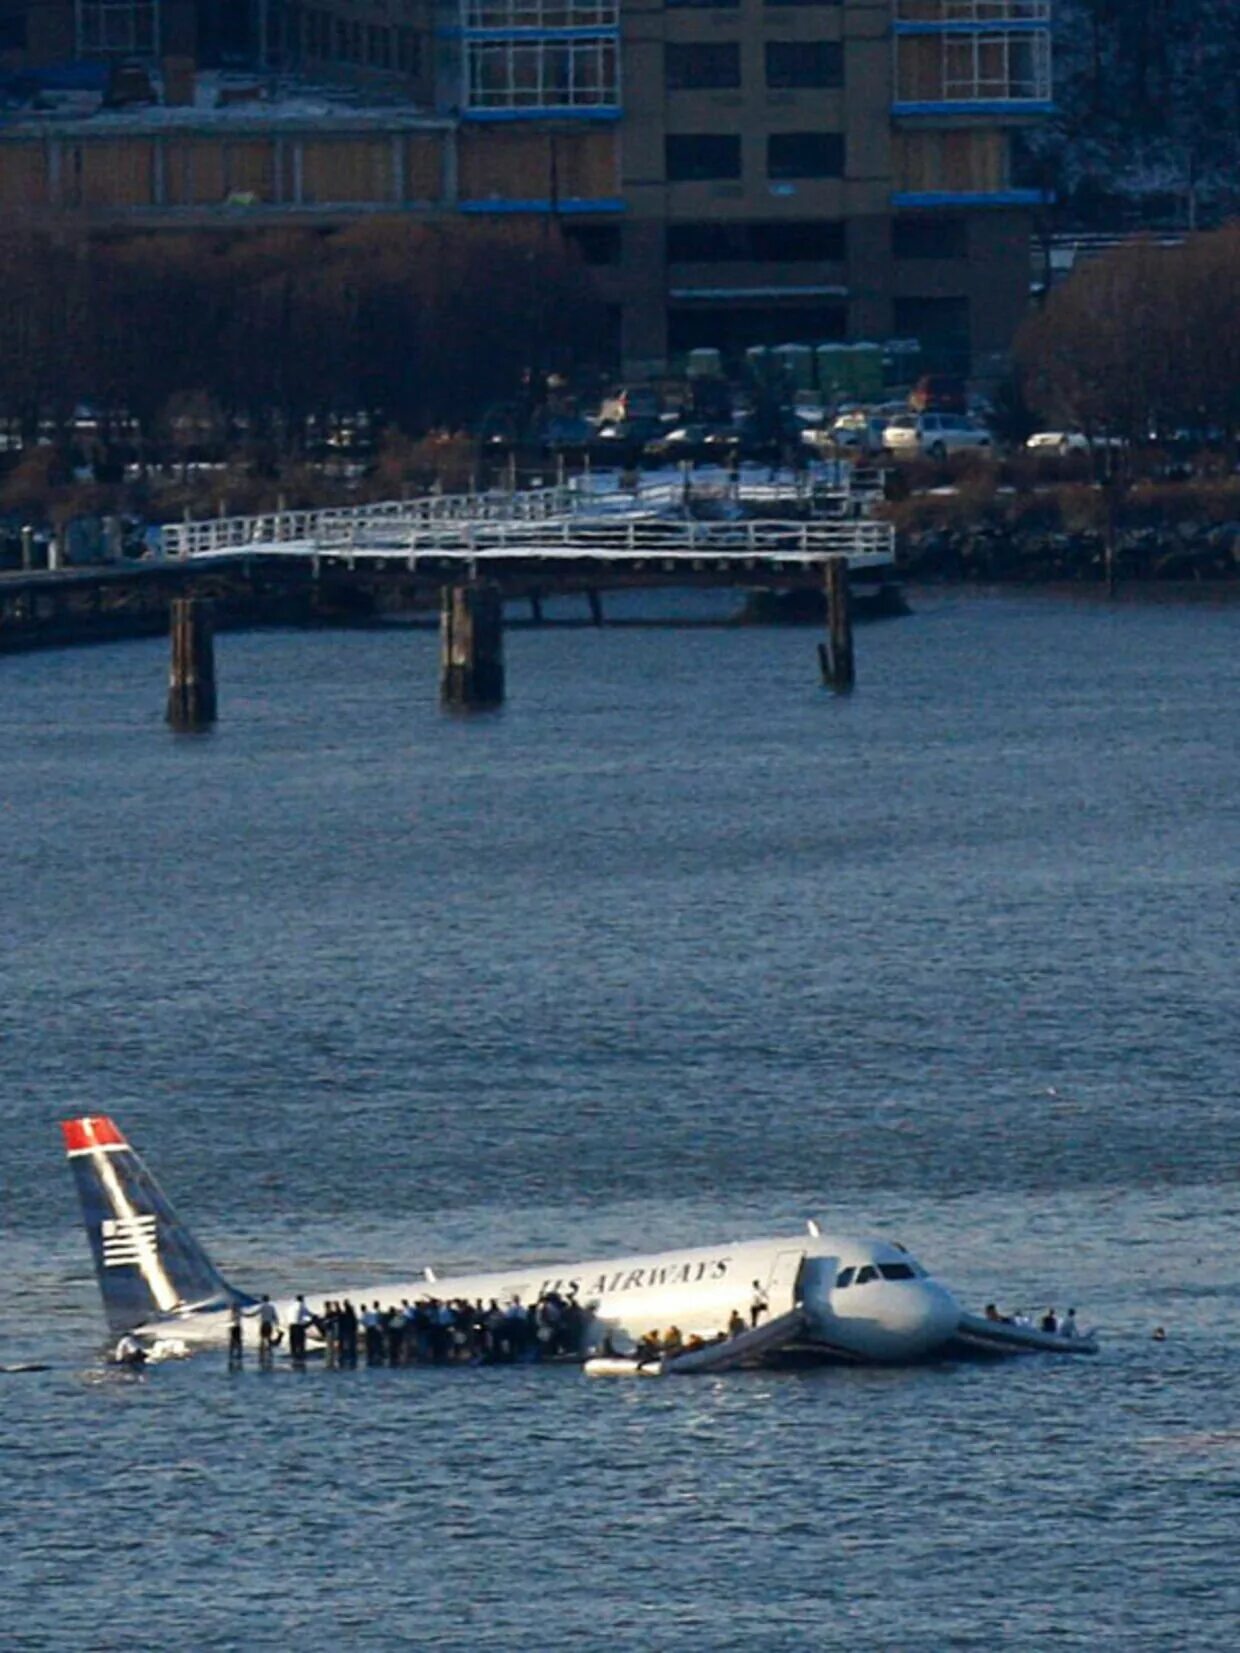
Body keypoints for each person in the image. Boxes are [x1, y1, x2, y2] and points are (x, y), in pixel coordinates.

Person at [289, 1295, 314, 1364]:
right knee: (300, 1343)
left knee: (293, 1343)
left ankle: (293, 1357)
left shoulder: (291, 1306)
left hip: (291, 1326)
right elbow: (308, 1314)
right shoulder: (301, 1306)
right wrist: (314, 1317)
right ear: (302, 1300)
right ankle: (301, 1359)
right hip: (298, 1326)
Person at [257, 1294, 280, 1366]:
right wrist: (277, 1324)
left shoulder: (262, 1307)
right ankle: (270, 1353)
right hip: (269, 1324)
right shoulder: (272, 1307)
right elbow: (275, 1317)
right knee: (269, 1338)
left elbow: (255, 1313)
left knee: (262, 1339)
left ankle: (261, 1355)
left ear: (263, 1300)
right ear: (268, 1300)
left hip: (263, 1324)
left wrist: (246, 1315)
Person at [228, 1302, 243, 1368]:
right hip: (237, 1327)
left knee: (233, 1341)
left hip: (234, 1327)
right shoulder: (238, 1312)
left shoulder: (234, 1313)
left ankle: (232, 1354)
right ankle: (238, 1354)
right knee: (238, 1341)